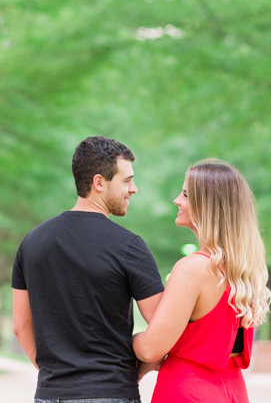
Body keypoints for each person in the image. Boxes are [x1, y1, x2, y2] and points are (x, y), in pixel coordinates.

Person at [12, 136, 165, 403]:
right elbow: (163, 331)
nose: (134, 189)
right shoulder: (129, 246)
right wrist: (133, 373)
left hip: (50, 394)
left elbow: (21, 326)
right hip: (111, 392)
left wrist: (56, 375)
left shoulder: (32, 242)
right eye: (127, 180)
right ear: (99, 183)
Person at [132, 159, 270, 403]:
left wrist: (127, 339)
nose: (177, 200)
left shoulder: (193, 268)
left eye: (185, 194)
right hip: (233, 391)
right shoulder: (245, 270)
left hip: (188, 390)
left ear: (208, 205)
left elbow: (151, 348)